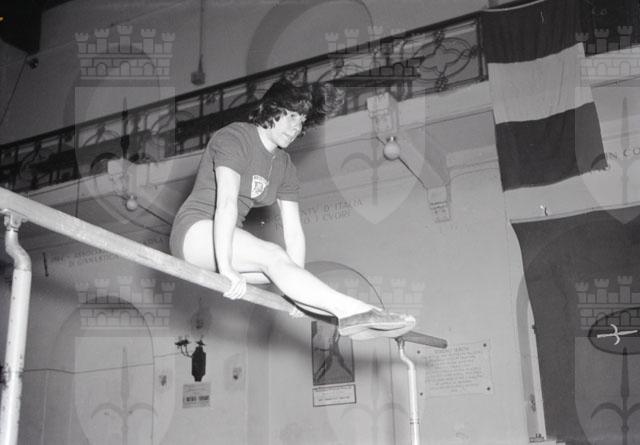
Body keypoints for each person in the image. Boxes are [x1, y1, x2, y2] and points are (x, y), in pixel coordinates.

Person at [169, 78, 415, 338]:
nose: (296, 127)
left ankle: (349, 322)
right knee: (273, 255)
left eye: (302, 120)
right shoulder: (236, 137)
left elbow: (294, 233)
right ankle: (354, 311)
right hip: (195, 233)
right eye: (292, 116)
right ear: (271, 109)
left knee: (283, 270)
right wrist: (227, 268)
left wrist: (298, 295)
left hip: (225, 243)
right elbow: (227, 204)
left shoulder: (284, 166)